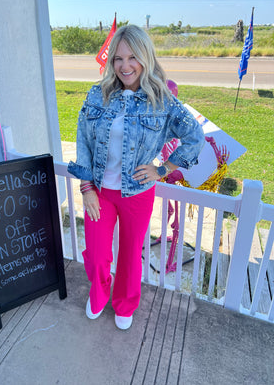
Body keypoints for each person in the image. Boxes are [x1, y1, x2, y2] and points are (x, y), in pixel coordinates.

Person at [67, 24, 205, 330]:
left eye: (132, 58)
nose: (125, 65)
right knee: (97, 253)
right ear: (111, 62)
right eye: (118, 58)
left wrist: (163, 169)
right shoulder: (97, 94)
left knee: (130, 255)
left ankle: (125, 302)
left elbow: (194, 135)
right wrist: (87, 187)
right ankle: (101, 289)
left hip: (137, 193)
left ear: (146, 58)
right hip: (100, 191)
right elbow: (84, 141)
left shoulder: (161, 100)